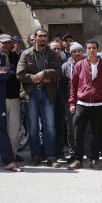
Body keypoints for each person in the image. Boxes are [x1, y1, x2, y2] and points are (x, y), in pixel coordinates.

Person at [17, 28, 62, 168]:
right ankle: (35, 156)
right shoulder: (26, 53)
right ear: (35, 38)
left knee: (50, 127)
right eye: (40, 36)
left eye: (45, 36)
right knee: (33, 127)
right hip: (31, 94)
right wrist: (35, 78)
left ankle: (50, 157)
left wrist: (44, 73)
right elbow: (20, 74)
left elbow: (58, 71)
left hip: (48, 94)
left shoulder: (52, 54)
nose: (42, 38)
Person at [67, 41, 102, 170]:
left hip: (99, 104)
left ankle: (94, 159)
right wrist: (72, 102)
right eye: (89, 48)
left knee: (96, 133)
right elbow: (73, 85)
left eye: (94, 48)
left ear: (98, 49)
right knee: (78, 133)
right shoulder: (80, 65)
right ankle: (78, 159)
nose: (91, 50)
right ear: (86, 50)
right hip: (82, 103)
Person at [58, 42, 85, 163]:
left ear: (83, 52)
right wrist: (66, 102)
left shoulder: (88, 64)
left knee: (87, 128)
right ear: (70, 53)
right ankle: (74, 153)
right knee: (71, 128)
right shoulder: (65, 66)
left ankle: (88, 153)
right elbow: (61, 86)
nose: (77, 53)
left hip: (85, 102)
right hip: (70, 102)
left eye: (79, 51)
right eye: (74, 51)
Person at [0, 34, 23, 162]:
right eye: (4, 43)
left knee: (13, 130)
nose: (6, 45)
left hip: (13, 98)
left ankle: (12, 155)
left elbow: (18, 75)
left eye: (9, 43)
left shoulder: (16, 57)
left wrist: (5, 72)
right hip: (1, 98)